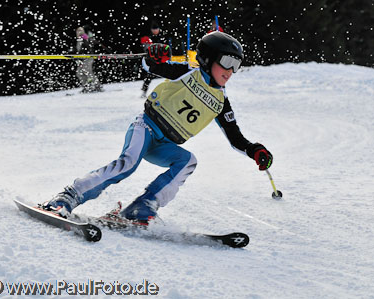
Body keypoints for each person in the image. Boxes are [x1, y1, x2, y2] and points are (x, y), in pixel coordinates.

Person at [43, 31, 273, 225]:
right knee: (128, 164)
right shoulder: (187, 72)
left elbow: (235, 137)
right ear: (208, 58)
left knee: (188, 161)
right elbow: (150, 65)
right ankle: (67, 198)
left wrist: (254, 150)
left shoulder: (221, 102)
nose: (230, 70)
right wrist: (154, 52)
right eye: (227, 62)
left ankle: (142, 208)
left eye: (237, 65)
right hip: (146, 127)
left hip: (165, 144)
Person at [139, 20, 167, 98]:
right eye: (153, 30)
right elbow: (146, 48)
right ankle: (144, 90)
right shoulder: (148, 38)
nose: (155, 31)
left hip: (160, 59)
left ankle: (166, 92)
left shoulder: (161, 37)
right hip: (151, 60)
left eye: (156, 29)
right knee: (149, 75)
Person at [75, 26, 103, 93]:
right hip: (81, 59)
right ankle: (86, 86)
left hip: (88, 57)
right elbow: (78, 49)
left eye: (80, 30)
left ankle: (97, 86)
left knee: (88, 71)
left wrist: (86, 38)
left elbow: (88, 45)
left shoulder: (84, 37)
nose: (79, 32)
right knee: (79, 73)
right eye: (77, 30)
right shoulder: (78, 39)